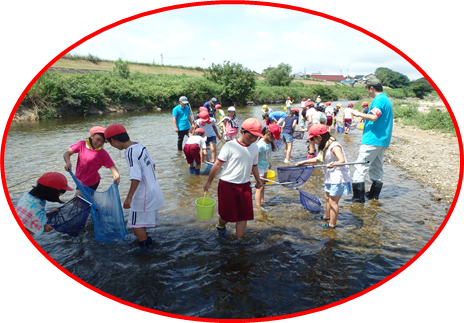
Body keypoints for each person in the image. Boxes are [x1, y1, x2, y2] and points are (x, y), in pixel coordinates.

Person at [203, 118, 264, 244]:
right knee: (227, 215)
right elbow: (218, 164)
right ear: (242, 131)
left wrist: (258, 181)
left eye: (256, 137)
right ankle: (220, 225)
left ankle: (239, 241)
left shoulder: (254, 148)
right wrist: (209, 181)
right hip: (227, 185)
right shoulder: (230, 145)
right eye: (251, 136)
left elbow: (254, 166)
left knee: (243, 215)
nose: (253, 140)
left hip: (245, 185)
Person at [104, 124, 165, 248]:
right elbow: (153, 165)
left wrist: (129, 197)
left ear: (113, 140)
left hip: (144, 194)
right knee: (140, 222)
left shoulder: (130, 151)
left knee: (135, 224)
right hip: (154, 189)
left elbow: (135, 176)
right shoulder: (140, 145)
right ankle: (147, 242)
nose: (113, 146)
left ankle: (146, 252)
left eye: (111, 143)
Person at [295, 124, 352, 228]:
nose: (313, 141)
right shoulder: (324, 146)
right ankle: (326, 216)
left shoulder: (334, 146)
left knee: (333, 201)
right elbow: (318, 159)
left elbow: (342, 160)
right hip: (330, 177)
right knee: (327, 197)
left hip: (338, 178)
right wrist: (303, 162)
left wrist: (333, 163)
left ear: (319, 137)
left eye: (313, 139)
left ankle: (331, 225)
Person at [351, 78, 393, 202]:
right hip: (382, 140)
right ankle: (373, 195)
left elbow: (374, 117)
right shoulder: (386, 100)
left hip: (372, 139)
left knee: (360, 166)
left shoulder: (379, 100)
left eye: (367, 89)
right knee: (377, 166)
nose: (367, 91)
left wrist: (358, 114)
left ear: (371, 88)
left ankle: (358, 198)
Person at [63, 126, 120, 193]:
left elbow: (112, 166)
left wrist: (117, 175)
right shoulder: (82, 144)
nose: (99, 143)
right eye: (98, 140)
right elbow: (67, 153)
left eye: (102, 141)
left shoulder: (102, 153)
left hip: (91, 182)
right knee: (85, 201)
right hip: (79, 179)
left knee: (78, 200)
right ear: (92, 136)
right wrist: (68, 162)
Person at [255, 124, 281, 211]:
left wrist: (269, 163)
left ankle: (262, 200)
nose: (274, 139)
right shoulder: (260, 145)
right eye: (274, 137)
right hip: (259, 168)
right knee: (259, 186)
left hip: (265, 166)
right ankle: (258, 206)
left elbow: (266, 155)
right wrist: (252, 171)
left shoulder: (269, 143)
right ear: (268, 134)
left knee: (264, 184)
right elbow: (256, 160)